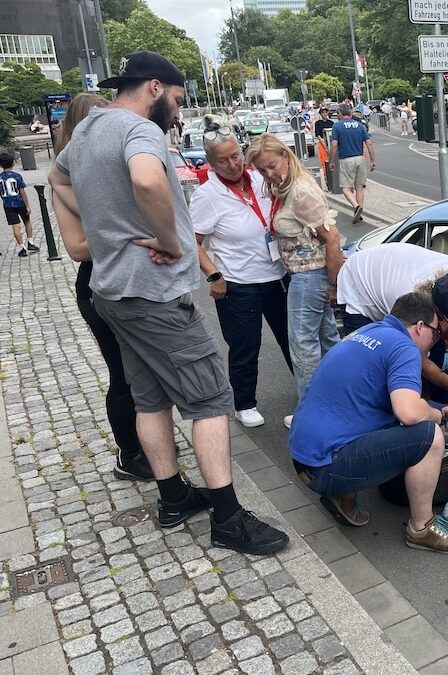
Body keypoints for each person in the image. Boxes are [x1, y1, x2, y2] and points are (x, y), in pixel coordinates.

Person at [48, 50, 288, 555]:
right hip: (155, 294)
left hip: (112, 292)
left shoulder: (88, 129)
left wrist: (106, 225)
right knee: (210, 400)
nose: (178, 113)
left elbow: (57, 179)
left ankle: (173, 496)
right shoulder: (139, 131)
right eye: (177, 101)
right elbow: (146, 178)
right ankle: (227, 518)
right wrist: (169, 238)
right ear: (155, 88)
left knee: (149, 397)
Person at [290, 291, 448, 554]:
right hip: (326, 468)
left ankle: (343, 497)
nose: (436, 341)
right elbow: (409, 413)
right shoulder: (405, 348)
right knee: (429, 435)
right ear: (420, 326)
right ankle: (422, 529)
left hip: (304, 458)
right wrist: (439, 416)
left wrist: (434, 405)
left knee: (378, 414)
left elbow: (381, 400)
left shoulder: (368, 333)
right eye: (436, 333)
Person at [50, 92, 154, 482]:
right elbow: (77, 248)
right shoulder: (68, 180)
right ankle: (129, 453)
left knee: (142, 370)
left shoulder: (106, 171)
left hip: (129, 278)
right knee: (122, 372)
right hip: (97, 283)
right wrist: (125, 232)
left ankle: (146, 440)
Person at [190, 118, 292, 429]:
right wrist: (213, 276)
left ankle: (310, 391)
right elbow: (193, 244)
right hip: (239, 283)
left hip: (277, 276)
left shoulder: (260, 179)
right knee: (246, 345)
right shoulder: (207, 195)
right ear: (211, 162)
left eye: (236, 155)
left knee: (294, 340)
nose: (233, 164)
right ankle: (244, 403)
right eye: (223, 160)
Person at [246, 133, 342, 426]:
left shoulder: (299, 191)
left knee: (303, 349)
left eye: (272, 165)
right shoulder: (285, 188)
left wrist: (333, 284)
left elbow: (332, 238)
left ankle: (311, 414)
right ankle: (338, 405)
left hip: (308, 276)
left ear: (286, 157)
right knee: (328, 343)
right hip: (306, 275)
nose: (269, 173)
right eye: (262, 170)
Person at [337, 242, 448, 408]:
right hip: (359, 282)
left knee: (435, 349)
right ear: (435, 313)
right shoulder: (406, 302)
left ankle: (440, 403)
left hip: (395, 268)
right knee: (376, 367)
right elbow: (418, 360)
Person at [329, 104, 376, 225]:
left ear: (340, 113)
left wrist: (331, 161)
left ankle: (355, 206)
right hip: (360, 158)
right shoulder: (359, 125)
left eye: (337, 113)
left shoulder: (337, 126)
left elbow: (334, 145)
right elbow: (369, 143)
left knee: (345, 188)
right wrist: (372, 160)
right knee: (359, 187)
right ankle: (360, 212)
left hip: (346, 159)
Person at [0, 151, 40, 257]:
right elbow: (22, 191)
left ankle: (21, 247)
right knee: (27, 222)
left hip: (8, 205)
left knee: (15, 226)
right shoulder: (17, 176)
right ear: (13, 163)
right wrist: (27, 205)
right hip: (20, 203)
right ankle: (30, 242)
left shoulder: (0, 178)